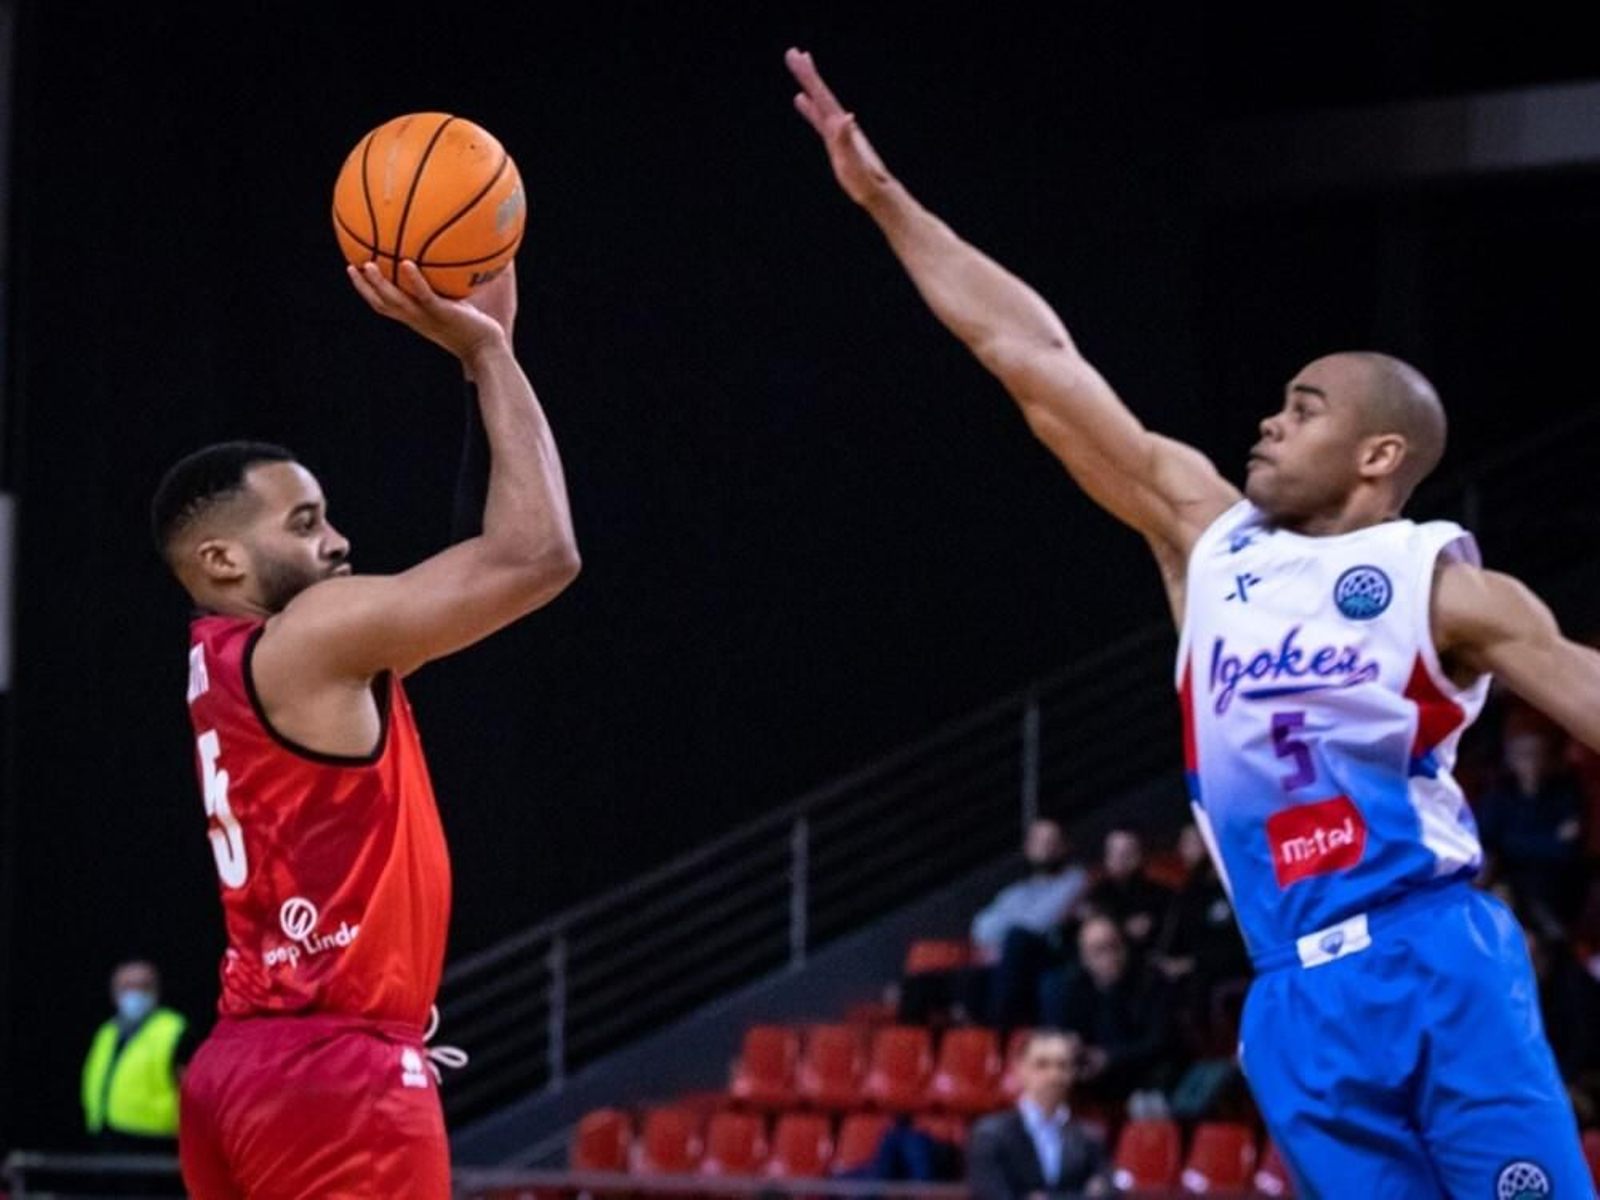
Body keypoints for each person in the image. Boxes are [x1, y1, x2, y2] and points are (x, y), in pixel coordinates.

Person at [786, 47, 1600, 1197]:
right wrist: (883, 199)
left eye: (1302, 411)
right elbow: (1031, 357)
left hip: (1431, 957)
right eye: (1274, 405)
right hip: (1287, 997)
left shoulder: (1437, 583)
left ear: (1377, 456)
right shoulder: (1209, 539)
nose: (1269, 424)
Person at [152, 261, 579, 1200]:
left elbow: (478, 557)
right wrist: (488, 350)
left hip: (240, 1067)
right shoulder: (311, 639)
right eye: (306, 524)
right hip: (334, 1074)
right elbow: (537, 554)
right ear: (222, 559)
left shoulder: (240, 659)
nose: (338, 541)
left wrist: (485, 375)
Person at [1039, 917, 1177, 1113]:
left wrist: (1109, 1058)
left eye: (1114, 946)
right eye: (1098, 951)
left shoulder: (1152, 981)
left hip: (1140, 1073)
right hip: (1090, 1075)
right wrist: (1069, 1045)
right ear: (1084, 958)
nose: (1109, 957)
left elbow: (1160, 1041)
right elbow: (1058, 1032)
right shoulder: (1073, 987)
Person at [970, 819, 1087, 1030]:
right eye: (1039, 841)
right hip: (1016, 962)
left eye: (1052, 841)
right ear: (1027, 848)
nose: (1045, 847)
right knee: (934, 981)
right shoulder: (1017, 890)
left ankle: (999, 1030)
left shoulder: (1075, 880)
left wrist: (1010, 924)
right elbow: (981, 928)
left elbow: (1041, 923)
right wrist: (1017, 923)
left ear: (1064, 847)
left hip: (1053, 957)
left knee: (1017, 939)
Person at [968, 1029, 1111, 1199]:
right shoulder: (990, 1135)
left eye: (1063, 1065)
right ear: (1020, 1069)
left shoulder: (1089, 1137)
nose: (1054, 1075)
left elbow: (1107, 1192)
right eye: (1042, 1064)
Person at [1476, 724, 1588, 926]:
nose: (1530, 761)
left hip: (1556, 886)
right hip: (1507, 883)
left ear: (1548, 756)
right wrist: (1547, 840)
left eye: (1537, 753)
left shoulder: (1564, 793)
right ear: (1510, 757)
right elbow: (1488, 843)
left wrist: (1511, 842)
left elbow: (1566, 850)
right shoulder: (1498, 796)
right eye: (1522, 754)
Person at [81, 961, 191, 1152]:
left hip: (155, 1143)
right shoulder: (107, 1032)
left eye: (143, 986)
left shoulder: (173, 1030)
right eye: (127, 986)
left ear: (156, 991)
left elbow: (190, 1089)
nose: (134, 994)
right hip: (107, 1138)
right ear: (114, 992)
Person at [1078, 828, 1172, 954]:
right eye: (1114, 851)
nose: (1120, 859)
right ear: (1105, 856)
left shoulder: (1163, 894)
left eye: (1128, 852)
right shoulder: (1094, 896)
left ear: (1141, 855)